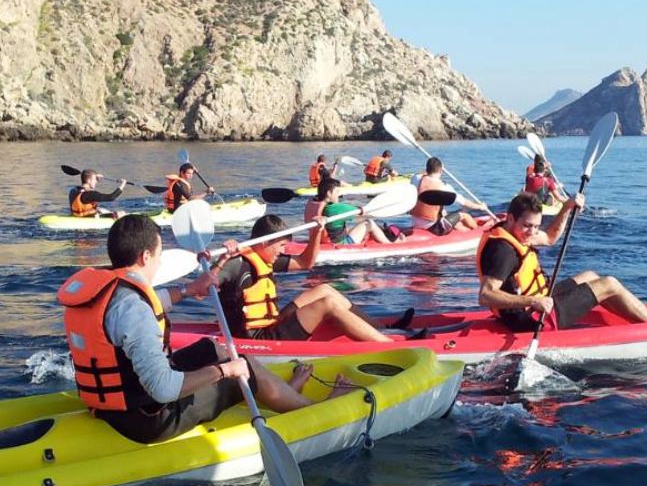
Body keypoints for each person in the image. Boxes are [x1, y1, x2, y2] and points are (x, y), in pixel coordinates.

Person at [56, 214, 342, 445]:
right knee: (240, 367)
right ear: (145, 257)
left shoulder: (112, 290)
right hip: (146, 419)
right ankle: (310, 409)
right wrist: (226, 372)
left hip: (118, 402)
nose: (159, 261)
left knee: (214, 348)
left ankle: (280, 394)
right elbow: (164, 388)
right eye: (158, 255)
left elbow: (144, 310)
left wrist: (189, 290)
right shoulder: (132, 307)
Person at [477, 192, 647, 331]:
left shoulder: (518, 233)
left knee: (590, 276)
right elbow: (485, 295)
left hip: (537, 301)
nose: (532, 232)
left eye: (535, 226)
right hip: (529, 318)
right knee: (609, 283)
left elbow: (550, 237)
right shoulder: (503, 251)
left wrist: (566, 207)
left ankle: (637, 317)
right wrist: (533, 301)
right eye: (527, 226)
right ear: (510, 219)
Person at [217, 213, 413, 342]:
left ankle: (383, 330)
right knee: (326, 304)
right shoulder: (235, 264)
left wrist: (316, 233)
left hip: (271, 324)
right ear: (266, 242)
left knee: (325, 290)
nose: (283, 251)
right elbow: (204, 287)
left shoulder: (264, 259)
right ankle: (387, 344)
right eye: (281, 247)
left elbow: (305, 263)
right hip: (256, 338)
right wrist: (222, 258)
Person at [410, 157, 485, 235]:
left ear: (427, 169)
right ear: (441, 171)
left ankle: (465, 232)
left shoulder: (416, 178)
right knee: (465, 215)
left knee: (452, 220)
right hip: (434, 227)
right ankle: (478, 233)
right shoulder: (444, 187)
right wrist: (480, 207)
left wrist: (429, 169)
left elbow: (420, 173)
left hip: (415, 222)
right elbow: (464, 202)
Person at [319, 178, 403, 245]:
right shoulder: (337, 208)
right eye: (337, 191)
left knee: (350, 227)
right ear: (329, 193)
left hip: (328, 240)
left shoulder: (316, 205)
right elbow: (363, 212)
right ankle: (389, 244)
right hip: (343, 244)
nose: (339, 194)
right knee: (369, 223)